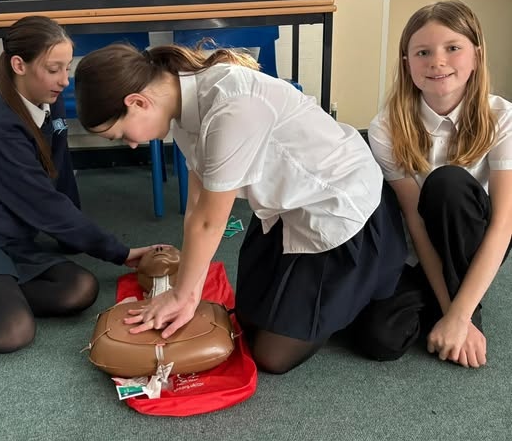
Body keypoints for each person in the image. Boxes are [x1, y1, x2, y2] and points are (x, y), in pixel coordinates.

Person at [74, 41, 408, 374]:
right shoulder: (182, 108)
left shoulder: (232, 107)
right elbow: (197, 207)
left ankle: (382, 274)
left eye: (121, 134)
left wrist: (180, 297)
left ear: (137, 102)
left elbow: (210, 223)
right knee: (247, 321)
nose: (131, 144)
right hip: (287, 206)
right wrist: (186, 293)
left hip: (340, 208)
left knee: (271, 356)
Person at [0, 16, 154, 353]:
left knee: (79, 288)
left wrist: (70, 240)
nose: (64, 80)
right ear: (19, 65)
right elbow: (45, 203)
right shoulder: (0, 126)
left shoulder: (50, 100)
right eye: (53, 69)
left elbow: (59, 171)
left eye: (67, 68)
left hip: (8, 235)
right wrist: (121, 252)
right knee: (11, 331)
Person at [365, 0, 512, 368]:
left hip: (475, 237)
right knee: (380, 340)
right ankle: (450, 304)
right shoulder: (386, 126)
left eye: (453, 47)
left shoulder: (502, 116)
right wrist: (450, 311)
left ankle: (467, 309)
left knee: (447, 183)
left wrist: (462, 318)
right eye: (423, 52)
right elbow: (415, 223)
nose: (437, 61)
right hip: (421, 247)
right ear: (407, 63)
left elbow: (504, 223)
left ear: (476, 56)